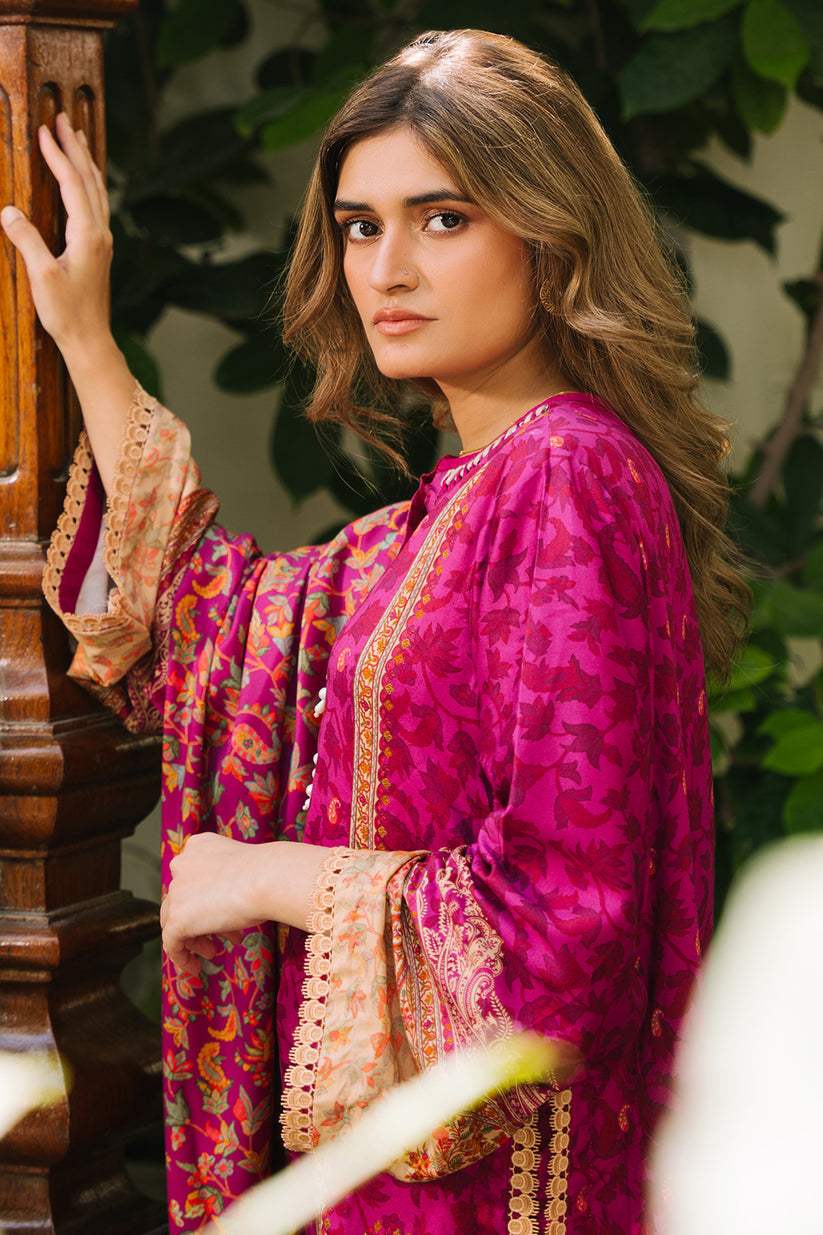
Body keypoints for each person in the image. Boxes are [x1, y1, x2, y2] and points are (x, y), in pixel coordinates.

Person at [1, 28, 748, 1235]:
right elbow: (228, 626)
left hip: (498, 1191)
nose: (387, 268)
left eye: (442, 218)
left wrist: (271, 877)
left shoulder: (564, 476)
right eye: (359, 225)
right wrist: (84, 336)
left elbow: (566, 927)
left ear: (547, 232)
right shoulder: (473, 496)